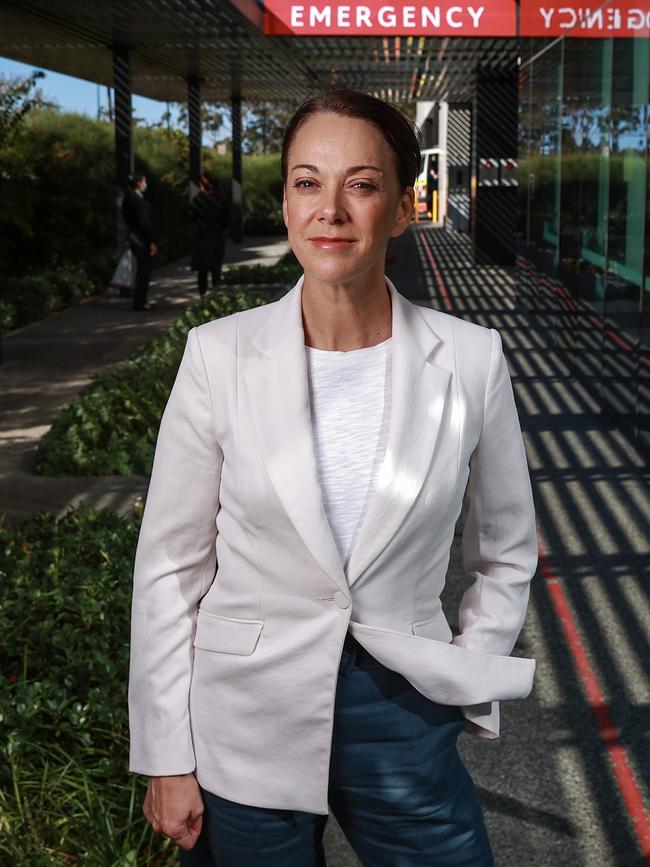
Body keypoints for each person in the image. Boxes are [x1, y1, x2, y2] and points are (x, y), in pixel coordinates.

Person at [128, 89, 538, 866]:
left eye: (362, 183)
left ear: (402, 208)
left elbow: (507, 547)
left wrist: (464, 673)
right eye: (308, 182)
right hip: (244, 714)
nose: (331, 210)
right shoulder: (218, 354)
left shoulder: (470, 357)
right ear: (285, 201)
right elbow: (169, 567)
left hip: (404, 708)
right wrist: (165, 752)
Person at [189, 172, 230, 297]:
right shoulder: (221, 199)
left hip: (202, 237)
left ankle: (202, 294)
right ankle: (216, 294)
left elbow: (190, 217)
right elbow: (227, 220)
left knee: (203, 269)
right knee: (216, 267)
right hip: (217, 236)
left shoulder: (197, 200)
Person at [122, 172, 157, 311]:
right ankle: (140, 301)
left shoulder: (128, 199)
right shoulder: (139, 201)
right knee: (144, 270)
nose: (145, 184)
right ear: (138, 183)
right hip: (141, 240)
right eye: (144, 181)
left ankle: (140, 300)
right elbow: (145, 224)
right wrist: (151, 242)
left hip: (134, 237)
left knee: (141, 270)